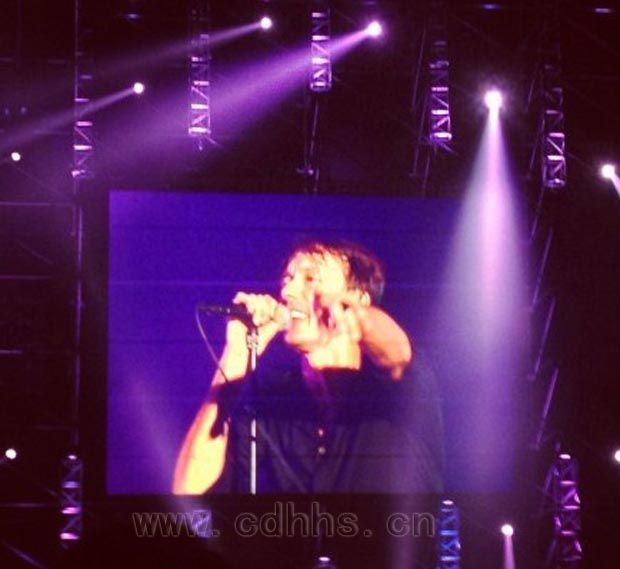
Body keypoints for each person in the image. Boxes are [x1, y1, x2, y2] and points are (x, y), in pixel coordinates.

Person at [173, 240, 443, 494]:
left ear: (359, 298)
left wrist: (358, 317)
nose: (287, 292)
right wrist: (237, 354)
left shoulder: (394, 391)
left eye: (310, 279)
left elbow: (397, 353)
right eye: (287, 280)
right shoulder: (274, 401)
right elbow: (190, 492)